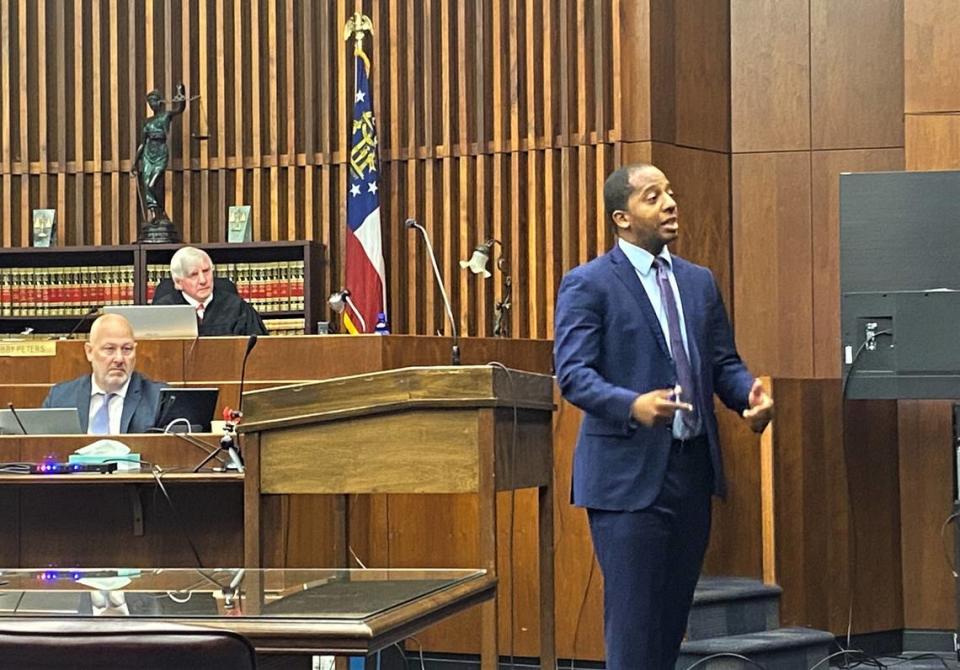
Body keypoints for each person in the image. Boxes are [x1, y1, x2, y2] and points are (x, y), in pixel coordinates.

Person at [553, 163, 775, 669]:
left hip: (691, 474)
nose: (670, 203)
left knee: (671, 625)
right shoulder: (589, 284)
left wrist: (749, 399)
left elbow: (722, 363)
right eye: (653, 197)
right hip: (626, 482)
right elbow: (573, 374)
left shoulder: (698, 282)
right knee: (634, 628)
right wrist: (632, 404)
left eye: (670, 193)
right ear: (622, 218)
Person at [42, 313, 165, 434]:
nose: (119, 359)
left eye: (127, 349)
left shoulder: (159, 399)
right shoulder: (60, 398)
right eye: (109, 349)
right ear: (89, 352)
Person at [152, 246, 267, 337]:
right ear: (178, 283)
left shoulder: (237, 308)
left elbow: (260, 351)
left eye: (206, 271)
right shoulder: (163, 312)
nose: (203, 280)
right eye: (194, 275)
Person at [131, 84, 187, 224]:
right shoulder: (147, 121)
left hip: (161, 151)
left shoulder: (166, 115)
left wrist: (181, 93)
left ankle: (160, 209)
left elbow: (180, 108)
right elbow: (142, 143)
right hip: (148, 153)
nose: (152, 105)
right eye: (149, 103)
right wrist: (135, 162)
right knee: (146, 184)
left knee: (152, 184)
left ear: (159, 101)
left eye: (154, 101)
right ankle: (154, 213)